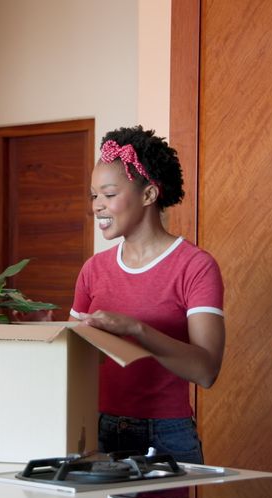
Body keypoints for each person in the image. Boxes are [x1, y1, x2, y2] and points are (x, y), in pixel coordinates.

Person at [71, 126, 225, 464]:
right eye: (94, 195)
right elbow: (73, 361)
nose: (98, 206)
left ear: (149, 195)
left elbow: (206, 371)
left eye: (109, 194)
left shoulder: (196, 267)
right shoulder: (92, 270)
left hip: (168, 436)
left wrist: (136, 329)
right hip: (98, 430)